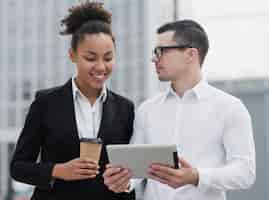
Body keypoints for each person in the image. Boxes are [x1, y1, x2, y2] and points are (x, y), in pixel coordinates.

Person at [103, 19, 256, 200]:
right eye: (155, 52)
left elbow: (245, 172)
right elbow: (136, 169)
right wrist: (123, 180)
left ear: (190, 54)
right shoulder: (147, 109)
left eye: (161, 51)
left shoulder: (230, 108)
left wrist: (196, 176)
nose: (154, 58)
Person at [10, 1, 135, 200]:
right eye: (91, 58)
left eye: (108, 58)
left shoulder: (126, 109)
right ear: (72, 55)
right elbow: (18, 167)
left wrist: (126, 182)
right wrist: (58, 170)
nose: (101, 66)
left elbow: (131, 172)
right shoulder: (45, 103)